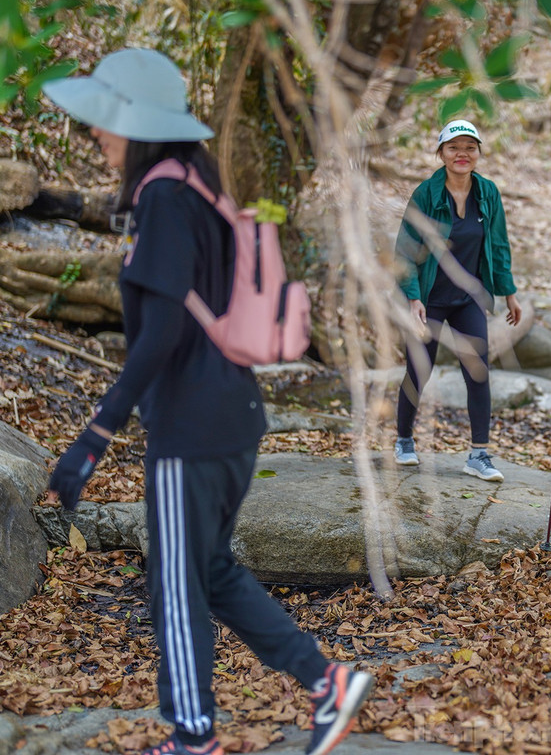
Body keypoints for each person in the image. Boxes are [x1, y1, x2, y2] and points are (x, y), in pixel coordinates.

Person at [42, 48, 372, 755]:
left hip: (191, 425)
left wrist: (92, 438)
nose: (97, 136)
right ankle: (327, 683)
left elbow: (158, 335)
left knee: (174, 584)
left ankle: (193, 736)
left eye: (106, 122)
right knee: (209, 568)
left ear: (140, 126)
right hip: (233, 416)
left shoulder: (162, 197)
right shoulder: (200, 185)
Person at [393, 119, 522, 481]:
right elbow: (405, 250)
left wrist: (508, 291)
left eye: (469, 148)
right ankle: (404, 441)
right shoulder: (426, 194)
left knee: (478, 373)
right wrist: (413, 298)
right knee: (418, 370)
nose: (462, 154)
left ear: (479, 153)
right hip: (430, 298)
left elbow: (498, 245)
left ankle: (478, 455)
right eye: (454, 147)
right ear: (441, 153)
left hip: (467, 299)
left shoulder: (488, 193)